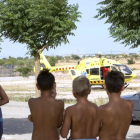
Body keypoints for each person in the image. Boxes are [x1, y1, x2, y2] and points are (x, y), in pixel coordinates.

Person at [93, 71, 134, 140]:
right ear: (122, 87)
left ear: (105, 86)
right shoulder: (130, 104)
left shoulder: (102, 109)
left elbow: (94, 133)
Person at [28, 69, 64, 140]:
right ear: (54, 85)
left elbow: (36, 118)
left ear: (37, 86)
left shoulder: (31, 102)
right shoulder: (59, 103)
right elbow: (58, 124)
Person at [61, 76, 97, 140]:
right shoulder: (95, 108)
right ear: (89, 91)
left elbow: (63, 134)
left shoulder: (70, 110)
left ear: (73, 93)